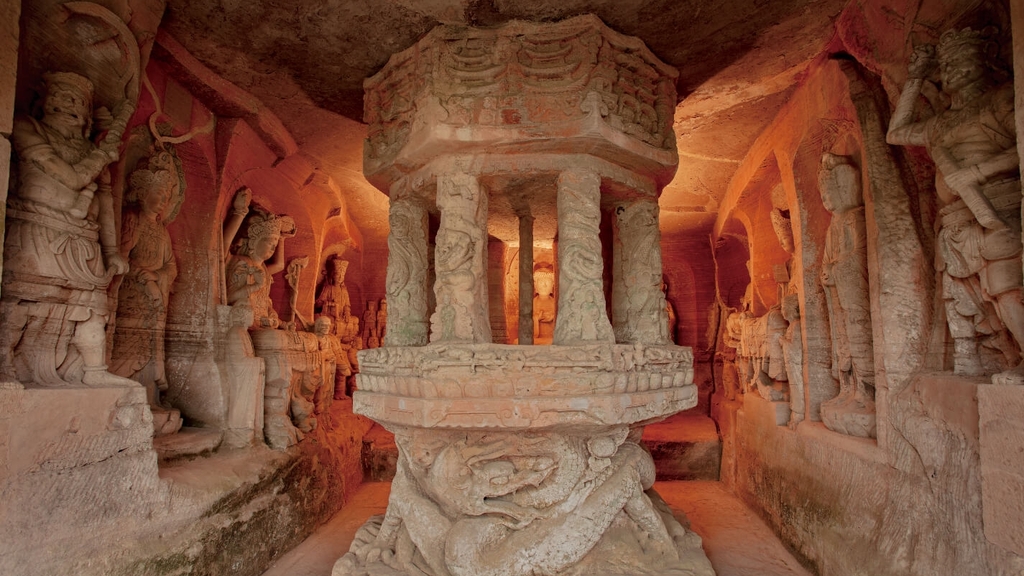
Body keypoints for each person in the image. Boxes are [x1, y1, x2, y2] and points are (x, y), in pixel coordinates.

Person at [888, 28, 1024, 380]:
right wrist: (916, 77)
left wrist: (977, 172)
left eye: (960, 60)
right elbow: (896, 133)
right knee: (961, 294)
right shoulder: (941, 123)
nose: (951, 70)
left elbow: (1021, 148)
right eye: (946, 64)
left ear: (984, 59)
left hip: (996, 207)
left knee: (1005, 286)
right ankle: (987, 357)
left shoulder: (999, 100)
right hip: (954, 221)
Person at [0, 71, 134, 386]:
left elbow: (104, 198)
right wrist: (102, 154)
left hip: (84, 240)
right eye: (63, 95)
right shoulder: (28, 127)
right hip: (38, 228)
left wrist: (111, 250)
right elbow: (73, 178)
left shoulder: (88, 149)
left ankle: (93, 371)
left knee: (91, 307)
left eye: (79, 101)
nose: (71, 104)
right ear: (45, 101)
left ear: (87, 113)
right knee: (23, 300)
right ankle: (5, 366)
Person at [111, 154, 179, 415]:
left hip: (155, 299)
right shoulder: (133, 218)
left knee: (150, 351)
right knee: (130, 347)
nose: (163, 201)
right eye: (159, 194)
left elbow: (171, 266)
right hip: (133, 295)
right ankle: (121, 400)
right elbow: (121, 256)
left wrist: (157, 276)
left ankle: (149, 401)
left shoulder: (162, 231)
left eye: (166, 196)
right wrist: (143, 276)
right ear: (142, 192)